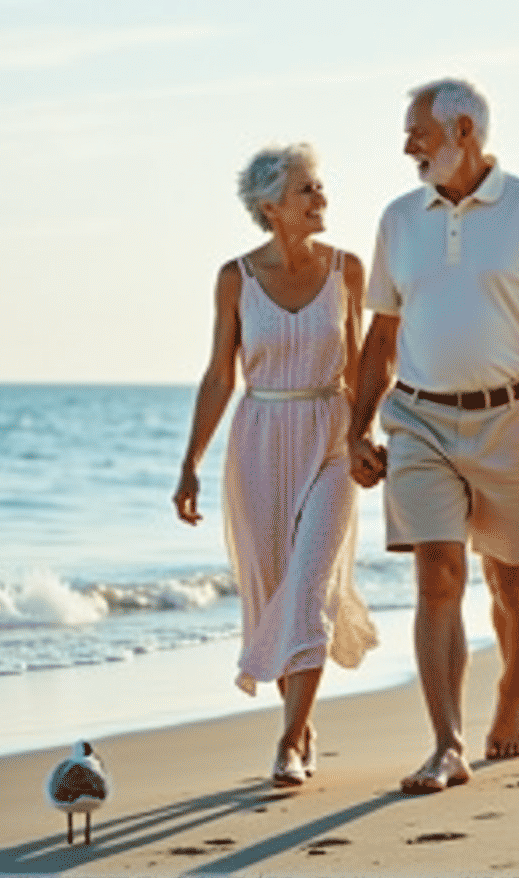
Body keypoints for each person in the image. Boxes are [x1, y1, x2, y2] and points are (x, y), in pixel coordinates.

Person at [348, 78, 519, 795]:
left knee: (510, 581)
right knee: (438, 574)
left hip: (512, 417)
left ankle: (513, 685)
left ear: (461, 129)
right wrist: (356, 426)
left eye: (416, 132)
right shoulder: (399, 219)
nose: (407, 146)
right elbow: (382, 333)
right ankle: (447, 744)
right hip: (418, 418)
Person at [173, 143, 378, 788]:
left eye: (319, 188)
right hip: (258, 443)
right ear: (270, 207)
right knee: (274, 588)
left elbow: (362, 364)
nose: (321, 200)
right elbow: (217, 376)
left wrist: (366, 433)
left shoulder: (347, 269)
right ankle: (303, 719)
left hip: (331, 438)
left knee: (309, 587)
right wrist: (190, 464)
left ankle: (289, 741)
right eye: (306, 192)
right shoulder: (235, 277)